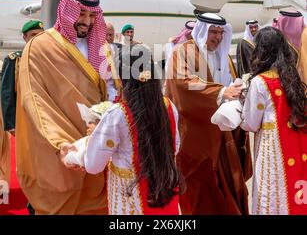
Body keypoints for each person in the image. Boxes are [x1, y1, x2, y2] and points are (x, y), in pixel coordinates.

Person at [15, 0, 116, 214]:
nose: (87, 21)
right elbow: (35, 100)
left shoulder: (103, 48)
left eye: (92, 15)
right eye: (81, 13)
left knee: (97, 202)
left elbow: (111, 89)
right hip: (58, 144)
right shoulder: (40, 47)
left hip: (95, 138)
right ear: (66, 10)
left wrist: (106, 117)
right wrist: (59, 142)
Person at [62, 44, 181, 215]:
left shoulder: (118, 114)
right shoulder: (169, 106)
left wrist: (80, 150)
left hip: (130, 194)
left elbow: (94, 164)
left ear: (123, 80)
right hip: (164, 187)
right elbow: (175, 147)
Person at [165, 12, 252, 215]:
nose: (218, 37)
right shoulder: (183, 52)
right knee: (199, 188)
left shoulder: (222, 55)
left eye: (221, 32)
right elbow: (184, 85)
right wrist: (221, 93)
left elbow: (229, 83)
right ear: (202, 30)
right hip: (196, 136)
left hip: (223, 132)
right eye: (213, 31)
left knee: (228, 184)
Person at [240, 26, 307, 215]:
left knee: (272, 193)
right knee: (294, 192)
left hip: (272, 147)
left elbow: (251, 123)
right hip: (296, 144)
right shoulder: (293, 77)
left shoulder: (260, 82)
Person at [1, 20, 44, 136]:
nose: (37, 38)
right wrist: (10, 123)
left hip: (44, 116)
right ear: (25, 37)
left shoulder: (47, 60)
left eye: (41, 35)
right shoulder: (14, 59)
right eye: (33, 35)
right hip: (22, 115)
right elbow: (7, 92)